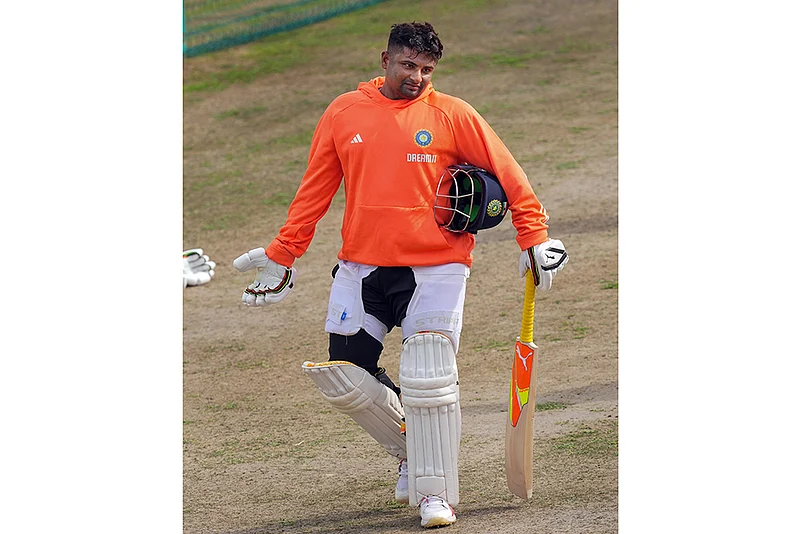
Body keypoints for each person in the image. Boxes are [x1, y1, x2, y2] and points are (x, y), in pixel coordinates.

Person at [233, 21, 568, 529]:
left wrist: (533, 235)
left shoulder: (452, 115)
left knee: (428, 372)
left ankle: (437, 494)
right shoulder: (345, 112)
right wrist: (285, 253)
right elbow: (315, 190)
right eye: (408, 65)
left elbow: (509, 172)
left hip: (437, 266)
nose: (417, 77)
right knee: (346, 375)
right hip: (360, 266)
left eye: (427, 69)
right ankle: (416, 448)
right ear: (385, 58)